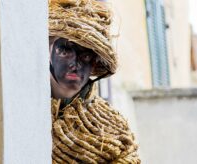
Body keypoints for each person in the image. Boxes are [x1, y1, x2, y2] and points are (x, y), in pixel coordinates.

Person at [49, 0, 141, 163]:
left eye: (85, 56)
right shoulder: (20, 105)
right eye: (65, 51)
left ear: (95, 63)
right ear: (48, 51)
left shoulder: (114, 130)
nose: (75, 64)